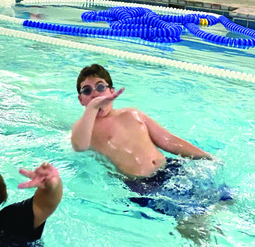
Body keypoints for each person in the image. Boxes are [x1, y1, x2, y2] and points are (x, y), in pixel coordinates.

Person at [71, 63, 232, 229]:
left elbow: (168, 140)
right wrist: (92, 108)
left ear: (111, 92)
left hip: (171, 168)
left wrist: (205, 155)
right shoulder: (83, 128)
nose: (95, 94)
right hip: (143, 185)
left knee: (224, 199)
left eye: (100, 87)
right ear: (81, 99)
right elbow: (80, 145)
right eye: (87, 91)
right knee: (190, 222)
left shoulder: (132, 113)